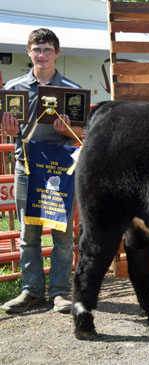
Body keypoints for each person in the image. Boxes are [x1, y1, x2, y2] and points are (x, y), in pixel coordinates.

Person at [1, 28, 83, 314]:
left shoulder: (71, 89)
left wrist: (69, 129)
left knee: (61, 231)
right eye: (37, 49)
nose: (42, 55)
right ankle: (31, 291)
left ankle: (60, 292)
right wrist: (8, 130)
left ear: (57, 53)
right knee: (29, 233)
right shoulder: (13, 87)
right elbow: (8, 128)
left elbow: (83, 132)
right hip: (26, 166)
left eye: (48, 49)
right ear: (29, 52)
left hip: (60, 167)